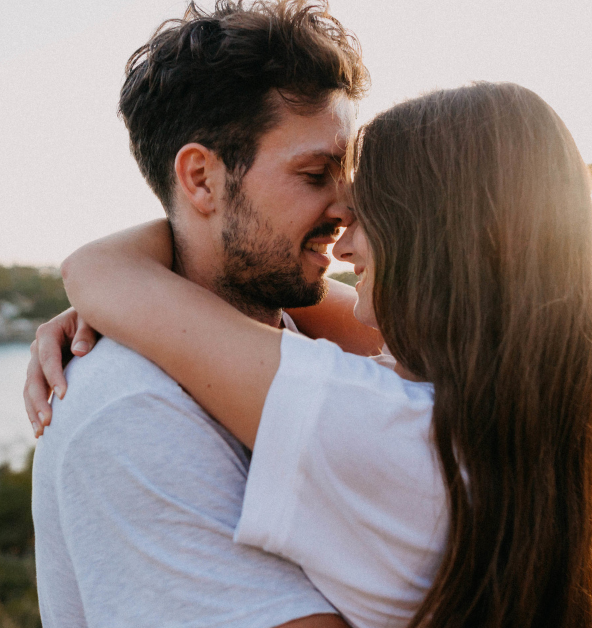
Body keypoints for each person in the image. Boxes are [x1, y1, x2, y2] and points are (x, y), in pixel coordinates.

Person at [28, 82, 592, 627]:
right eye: (317, 177)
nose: (344, 237)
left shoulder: (387, 427)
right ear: (201, 177)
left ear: (435, 246)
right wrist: (149, 287)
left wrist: (138, 282)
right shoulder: (508, 419)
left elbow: (95, 270)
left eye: (368, 210)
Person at [24, 1, 375, 626]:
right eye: (317, 173)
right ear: (202, 179)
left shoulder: (309, 331)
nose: (346, 206)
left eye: (346, 173)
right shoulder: (132, 411)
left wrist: (111, 274)